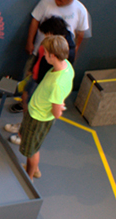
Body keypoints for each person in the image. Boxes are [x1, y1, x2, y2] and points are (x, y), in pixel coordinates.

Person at [10, 0, 89, 114]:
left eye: (60, 0)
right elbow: (40, 59)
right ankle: (25, 106)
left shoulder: (80, 11)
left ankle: (28, 111)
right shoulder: (45, 47)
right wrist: (32, 72)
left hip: (42, 82)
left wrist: (36, 79)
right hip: (38, 74)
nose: (56, 2)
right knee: (27, 93)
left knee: (34, 100)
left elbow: (81, 34)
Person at [8, 35, 74, 180]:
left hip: (38, 118)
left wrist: (59, 105)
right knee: (28, 141)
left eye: (46, 53)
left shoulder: (57, 84)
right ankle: (34, 169)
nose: (44, 55)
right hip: (35, 112)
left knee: (31, 151)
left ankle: (29, 177)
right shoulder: (66, 65)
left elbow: (56, 114)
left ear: (53, 56)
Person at [5, 16, 74, 134]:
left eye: (46, 35)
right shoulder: (51, 45)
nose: (45, 37)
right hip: (36, 77)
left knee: (32, 107)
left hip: (42, 83)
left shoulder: (63, 51)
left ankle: (25, 131)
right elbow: (41, 56)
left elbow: (56, 111)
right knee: (26, 99)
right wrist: (32, 69)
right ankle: (23, 126)